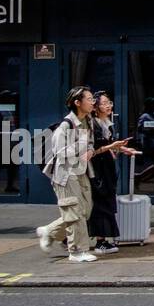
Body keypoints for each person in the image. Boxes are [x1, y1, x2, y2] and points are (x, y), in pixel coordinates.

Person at [37, 87, 121, 263]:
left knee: (85, 210)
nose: (93, 102)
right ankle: (76, 251)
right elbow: (59, 151)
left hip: (82, 171)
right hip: (66, 174)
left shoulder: (88, 121)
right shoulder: (66, 124)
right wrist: (82, 148)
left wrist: (89, 149)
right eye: (89, 99)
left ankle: (50, 231)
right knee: (74, 212)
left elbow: (90, 143)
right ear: (77, 103)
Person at [87, 91, 138, 254]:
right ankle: (100, 242)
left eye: (109, 102)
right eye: (104, 103)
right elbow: (94, 149)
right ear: (95, 107)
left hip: (106, 168)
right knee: (101, 204)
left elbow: (108, 143)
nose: (109, 105)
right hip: (98, 170)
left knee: (105, 202)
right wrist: (113, 146)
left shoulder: (105, 122)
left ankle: (70, 238)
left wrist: (123, 148)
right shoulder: (92, 125)